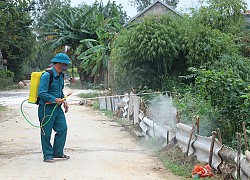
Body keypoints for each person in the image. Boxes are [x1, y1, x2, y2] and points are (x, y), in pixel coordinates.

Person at [38, 53, 70, 163]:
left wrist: (63, 101)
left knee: (63, 128)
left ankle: (58, 152)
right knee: (46, 132)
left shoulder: (61, 76)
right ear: (59, 64)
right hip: (46, 108)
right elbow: (41, 93)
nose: (67, 66)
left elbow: (59, 92)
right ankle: (47, 155)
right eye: (65, 64)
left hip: (57, 108)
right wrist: (54, 99)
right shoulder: (47, 76)